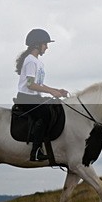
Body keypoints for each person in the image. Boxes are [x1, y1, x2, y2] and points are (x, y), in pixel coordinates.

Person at [15, 28, 69, 162]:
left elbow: (40, 85)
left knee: (53, 108)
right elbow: (30, 85)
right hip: (26, 98)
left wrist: (57, 90)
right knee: (46, 114)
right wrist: (51, 92)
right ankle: (36, 151)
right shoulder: (31, 61)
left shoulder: (38, 62)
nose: (47, 47)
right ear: (37, 45)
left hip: (34, 97)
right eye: (45, 44)